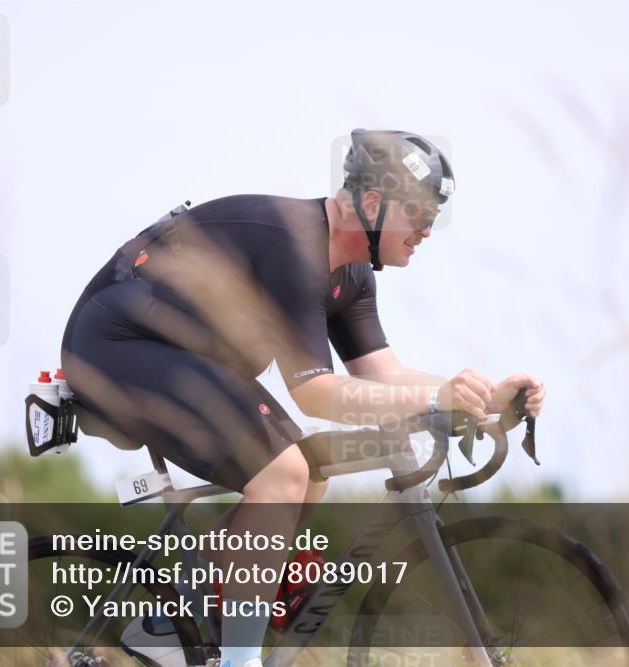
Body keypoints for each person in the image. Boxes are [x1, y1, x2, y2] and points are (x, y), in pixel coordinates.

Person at [60, 129, 546, 667]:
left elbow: (383, 374)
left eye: (435, 216)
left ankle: (167, 624)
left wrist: (479, 398)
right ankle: (239, 661)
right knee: (284, 473)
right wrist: (437, 399)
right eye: (419, 213)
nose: (428, 230)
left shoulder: (351, 272)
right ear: (371, 204)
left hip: (180, 358)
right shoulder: (297, 246)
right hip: (117, 346)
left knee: (308, 470)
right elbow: (315, 394)